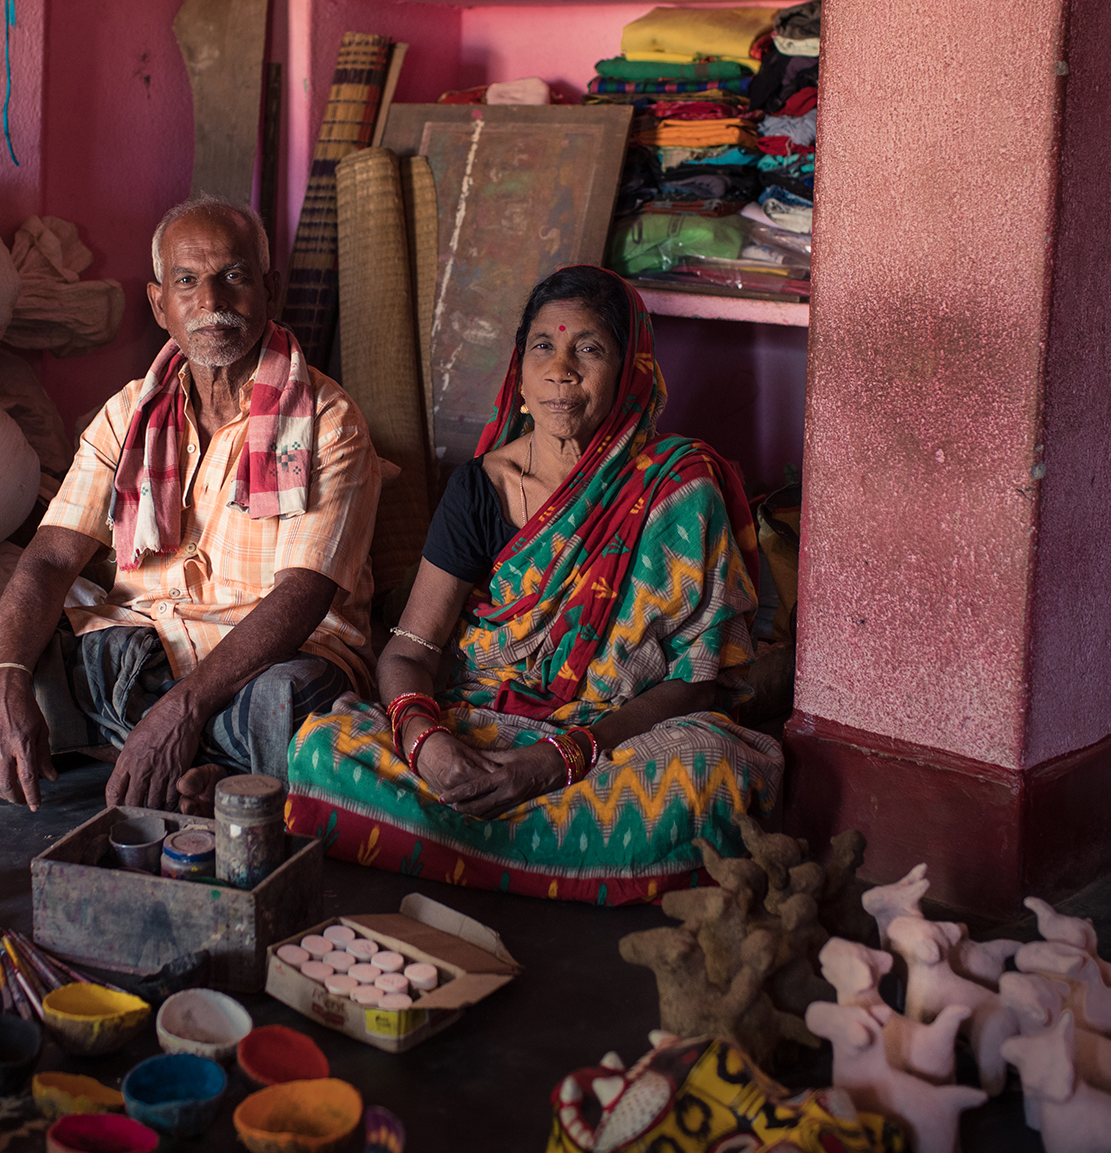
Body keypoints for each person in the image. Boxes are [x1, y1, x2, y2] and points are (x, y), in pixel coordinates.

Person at [284, 265, 781, 905]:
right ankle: (571, 859)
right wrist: (426, 742)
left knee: (711, 777)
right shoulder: (481, 488)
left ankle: (450, 842)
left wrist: (564, 756)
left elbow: (698, 681)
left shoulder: (678, 491)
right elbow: (411, 649)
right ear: (519, 369)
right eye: (543, 346)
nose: (561, 369)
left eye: (590, 349)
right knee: (321, 748)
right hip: (482, 724)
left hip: (611, 743)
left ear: (632, 371)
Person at [0, 196, 384, 815]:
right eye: (188, 282)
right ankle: (199, 770)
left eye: (235, 276)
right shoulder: (127, 415)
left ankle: (137, 745)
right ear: (159, 304)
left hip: (257, 666)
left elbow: (303, 596)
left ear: (269, 289)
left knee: (293, 700)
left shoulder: (328, 421)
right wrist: (5, 678)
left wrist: (185, 706)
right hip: (138, 646)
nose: (213, 303)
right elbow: (50, 558)